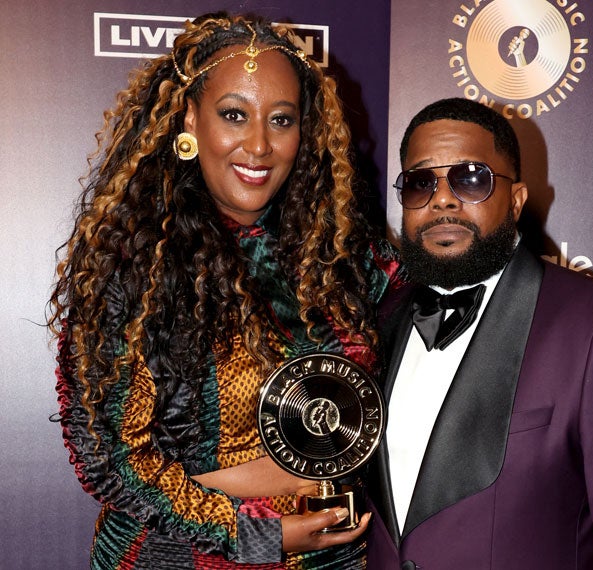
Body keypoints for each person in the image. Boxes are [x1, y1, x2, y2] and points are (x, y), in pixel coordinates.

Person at [48, 12, 402, 569]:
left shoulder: (345, 257)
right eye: (234, 114)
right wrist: (260, 537)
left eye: (281, 120)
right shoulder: (135, 267)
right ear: (190, 117)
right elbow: (109, 459)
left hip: (337, 558)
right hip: (181, 556)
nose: (259, 144)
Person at [366, 97, 593, 569]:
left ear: (517, 200)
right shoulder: (379, 322)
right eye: (422, 182)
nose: (442, 199)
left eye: (471, 178)